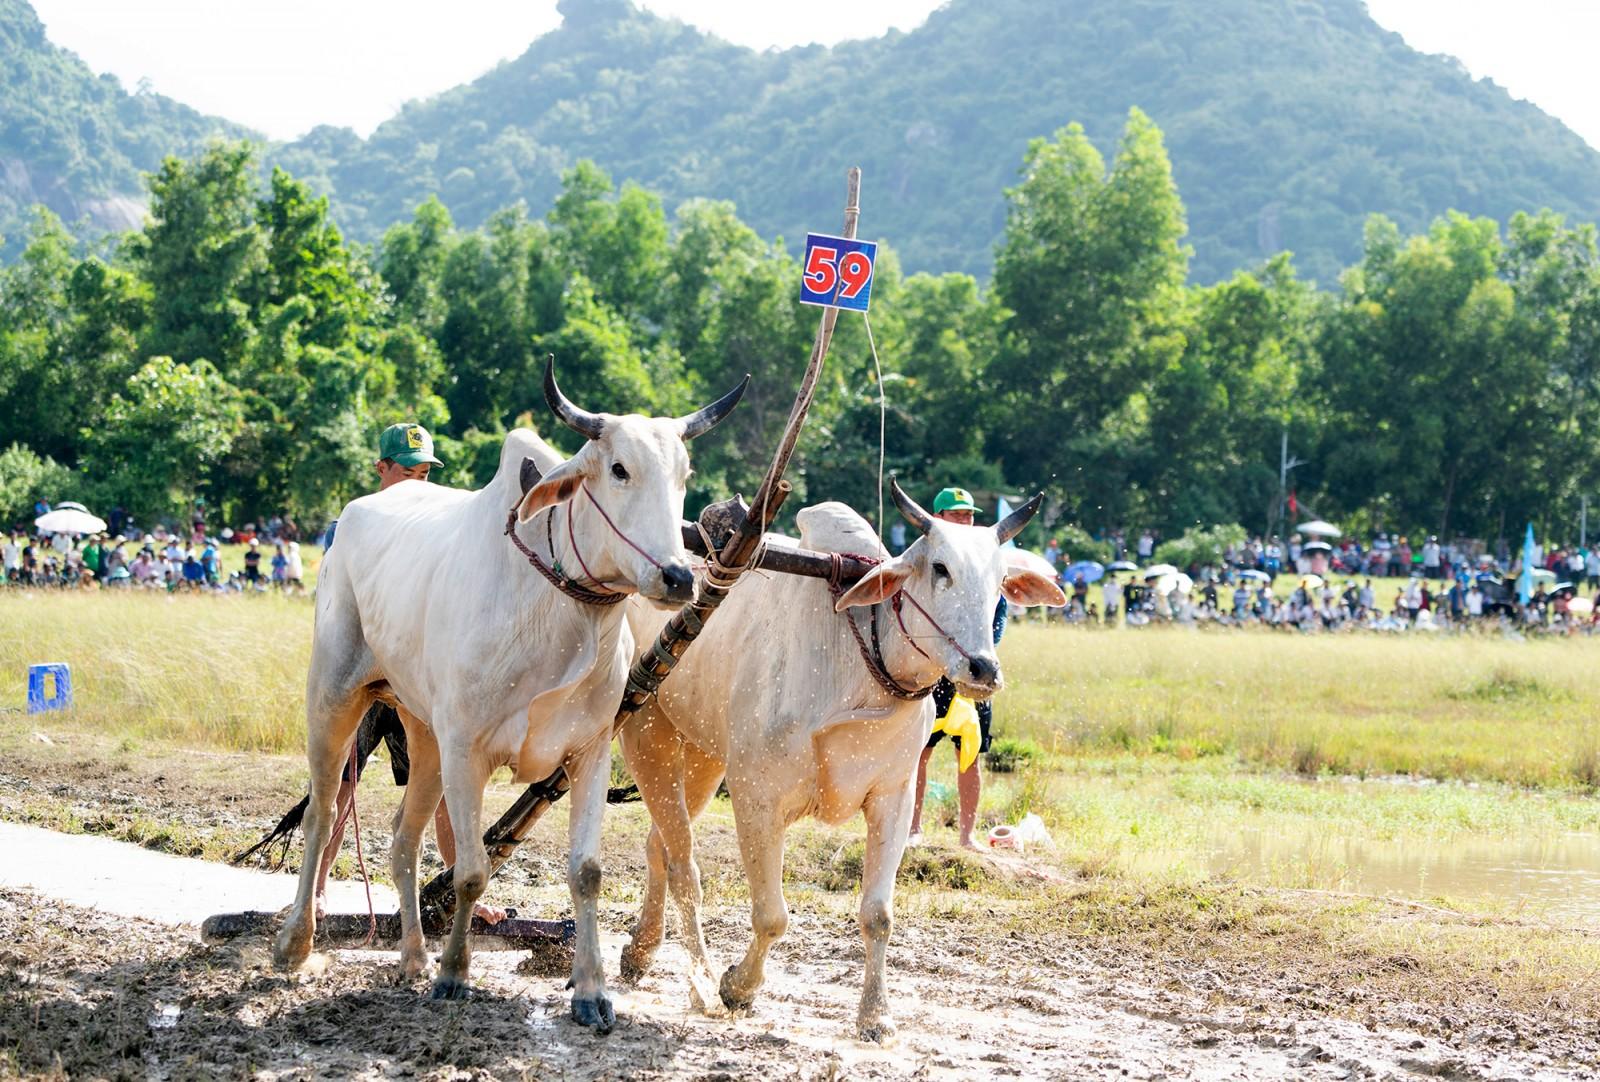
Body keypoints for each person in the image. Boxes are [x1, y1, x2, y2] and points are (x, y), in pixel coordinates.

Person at [250, 424, 504, 923]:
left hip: (417, 672)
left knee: (449, 785)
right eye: (406, 471)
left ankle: (462, 892)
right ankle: (317, 890)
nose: (416, 481)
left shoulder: (437, 528)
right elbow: (336, 612)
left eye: (425, 473)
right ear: (381, 469)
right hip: (366, 670)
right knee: (341, 779)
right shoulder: (357, 524)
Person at [907, 485, 1008, 851]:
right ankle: (914, 828)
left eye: (969, 515)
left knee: (970, 753)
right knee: (921, 749)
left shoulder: (985, 561)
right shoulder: (927, 560)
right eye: (957, 514)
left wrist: (982, 654)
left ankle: (967, 836)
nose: (965, 520)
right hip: (934, 670)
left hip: (977, 670)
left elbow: (997, 615)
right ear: (938, 519)